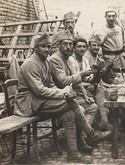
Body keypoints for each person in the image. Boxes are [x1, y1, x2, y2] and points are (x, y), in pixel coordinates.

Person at [14, 32, 111, 163]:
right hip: (29, 103)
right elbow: (39, 90)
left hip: (40, 100)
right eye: (43, 46)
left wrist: (63, 91)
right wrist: (63, 93)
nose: (46, 49)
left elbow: (51, 84)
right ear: (35, 47)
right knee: (72, 104)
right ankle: (91, 134)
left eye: (48, 46)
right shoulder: (31, 64)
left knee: (70, 114)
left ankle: (73, 153)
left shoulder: (45, 62)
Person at [49, 30, 111, 151]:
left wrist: (84, 93)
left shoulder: (65, 58)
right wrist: (81, 74)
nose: (68, 47)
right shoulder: (55, 59)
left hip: (70, 95)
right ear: (59, 45)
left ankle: (84, 138)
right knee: (82, 109)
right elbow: (63, 82)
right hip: (60, 96)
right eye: (65, 44)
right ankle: (88, 137)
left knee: (93, 106)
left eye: (70, 44)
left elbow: (76, 80)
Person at [84, 34, 113, 131]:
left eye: (98, 45)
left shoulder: (97, 57)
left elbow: (100, 75)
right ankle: (102, 123)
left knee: (109, 91)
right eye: (94, 45)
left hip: (95, 84)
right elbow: (85, 76)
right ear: (89, 46)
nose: (96, 47)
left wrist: (108, 66)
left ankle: (105, 121)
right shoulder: (86, 57)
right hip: (84, 86)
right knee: (101, 92)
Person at [97, 6, 125, 81]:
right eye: (109, 16)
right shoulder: (101, 31)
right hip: (110, 61)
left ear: (116, 16)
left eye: (113, 16)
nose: (111, 18)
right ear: (105, 17)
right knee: (113, 82)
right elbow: (96, 46)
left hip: (122, 61)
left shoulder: (120, 29)